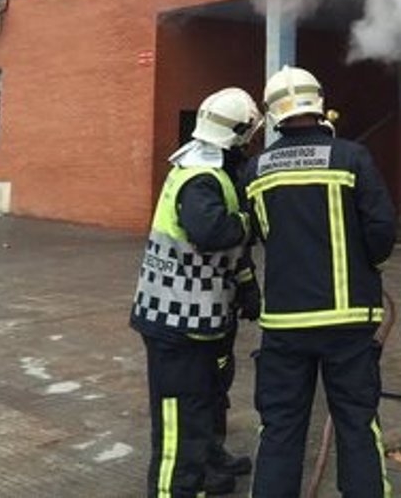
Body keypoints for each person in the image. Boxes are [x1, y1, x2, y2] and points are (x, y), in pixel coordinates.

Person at [243, 66, 397, 498]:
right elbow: (382, 230)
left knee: (280, 428)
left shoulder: (257, 170)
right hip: (349, 322)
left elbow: (253, 232)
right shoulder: (352, 157)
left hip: (285, 327)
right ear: (319, 102)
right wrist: (366, 261)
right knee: (356, 424)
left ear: (274, 114)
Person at [130, 87, 263, 498]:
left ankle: (208, 463)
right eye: (250, 135)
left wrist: (247, 287)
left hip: (204, 317)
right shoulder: (200, 178)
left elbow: (229, 253)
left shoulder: (212, 169)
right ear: (237, 134)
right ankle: (176, 488)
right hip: (176, 321)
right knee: (179, 416)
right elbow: (213, 233)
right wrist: (251, 219)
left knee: (207, 397)